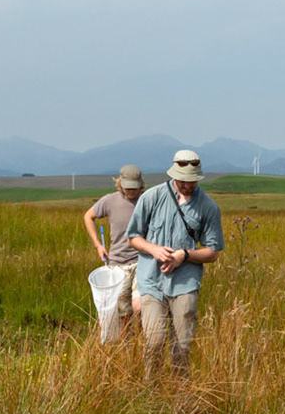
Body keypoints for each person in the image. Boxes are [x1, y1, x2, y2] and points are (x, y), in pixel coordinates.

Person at [122, 149, 225, 372]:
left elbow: (213, 253)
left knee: (182, 345)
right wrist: (154, 250)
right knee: (155, 341)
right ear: (173, 175)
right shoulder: (152, 197)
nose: (188, 185)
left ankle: (179, 394)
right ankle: (151, 394)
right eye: (183, 181)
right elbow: (133, 237)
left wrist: (184, 255)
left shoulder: (208, 207)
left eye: (192, 181)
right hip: (151, 281)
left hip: (185, 284)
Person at [83, 165, 147, 328]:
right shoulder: (110, 200)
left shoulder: (147, 199)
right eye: (127, 187)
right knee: (123, 312)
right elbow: (88, 217)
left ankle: (140, 340)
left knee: (139, 308)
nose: (131, 191)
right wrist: (98, 245)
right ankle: (127, 347)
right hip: (118, 264)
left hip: (143, 261)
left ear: (141, 185)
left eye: (134, 188)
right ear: (120, 184)